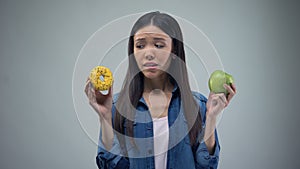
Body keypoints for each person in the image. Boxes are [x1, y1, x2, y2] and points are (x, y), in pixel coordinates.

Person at [85, 11, 236, 169]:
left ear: (174, 51)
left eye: (158, 45)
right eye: (140, 45)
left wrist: (211, 118)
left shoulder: (198, 105)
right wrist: (105, 117)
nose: (149, 53)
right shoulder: (117, 106)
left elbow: (206, 166)